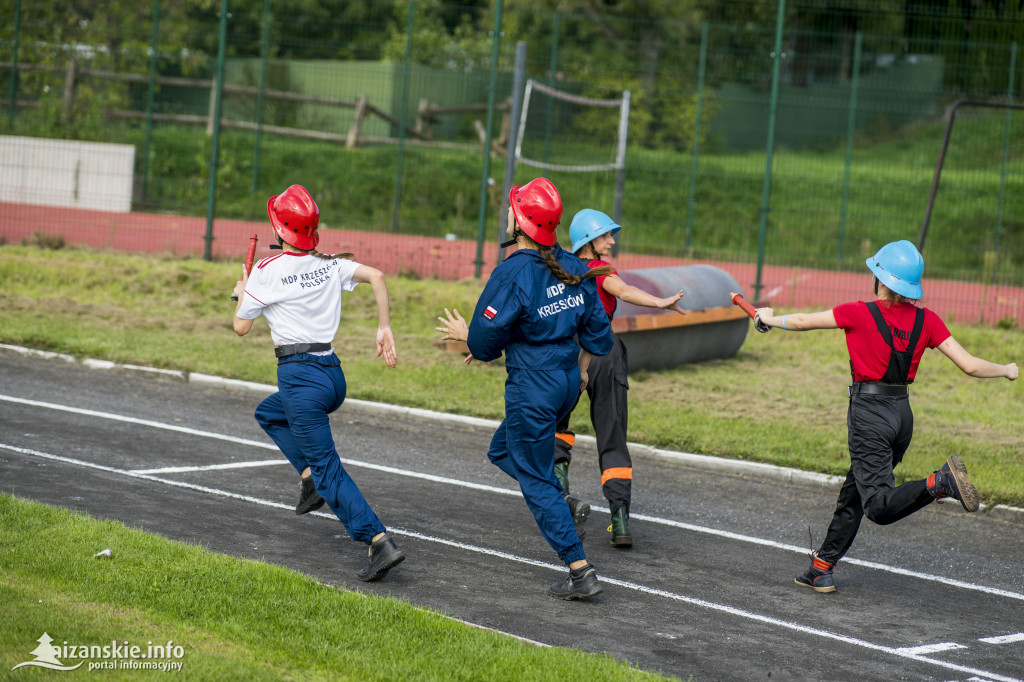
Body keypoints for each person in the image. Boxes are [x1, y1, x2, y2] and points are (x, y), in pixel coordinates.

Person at [753, 240, 1017, 593]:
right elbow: (969, 365)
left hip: (870, 416)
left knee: (877, 505)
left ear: (880, 279)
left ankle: (938, 483)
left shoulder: (859, 312)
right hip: (901, 416)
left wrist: (768, 318)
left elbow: (802, 321)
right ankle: (822, 566)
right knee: (856, 490)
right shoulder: (928, 320)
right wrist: (1006, 369)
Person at [435, 177, 614, 600]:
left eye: (512, 208)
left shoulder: (512, 271)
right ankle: (561, 501)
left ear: (520, 220)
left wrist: (468, 335)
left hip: (534, 388)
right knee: (501, 450)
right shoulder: (574, 265)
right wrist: (576, 366)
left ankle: (580, 570)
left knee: (535, 479)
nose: (507, 212)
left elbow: (483, 343)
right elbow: (600, 337)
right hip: (566, 382)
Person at [232, 184, 406, 582]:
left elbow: (241, 327)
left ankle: (377, 540)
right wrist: (384, 327)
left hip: (299, 378)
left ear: (279, 229)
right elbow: (377, 276)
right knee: (269, 413)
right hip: (331, 374)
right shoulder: (331, 264)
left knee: (331, 470)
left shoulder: (265, 272)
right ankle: (309, 480)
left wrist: (239, 292)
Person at [553, 209, 686, 548]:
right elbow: (624, 291)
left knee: (556, 425)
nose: (612, 241)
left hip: (567, 353)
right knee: (612, 435)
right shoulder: (600, 271)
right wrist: (659, 301)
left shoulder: (560, 269)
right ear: (588, 241)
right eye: (606, 236)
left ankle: (561, 500)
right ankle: (620, 520)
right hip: (605, 352)